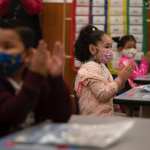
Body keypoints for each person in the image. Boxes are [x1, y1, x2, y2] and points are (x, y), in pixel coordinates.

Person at [0, 20, 72, 136]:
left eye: (7, 46)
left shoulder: (35, 80)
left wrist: (55, 77)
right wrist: (35, 74)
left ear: (28, 55)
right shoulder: (34, 78)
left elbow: (61, 116)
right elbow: (12, 116)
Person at [74, 25, 133, 116]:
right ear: (93, 49)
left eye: (111, 47)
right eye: (107, 47)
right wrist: (120, 79)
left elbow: (112, 89)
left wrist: (123, 78)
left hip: (105, 116)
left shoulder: (101, 65)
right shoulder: (89, 68)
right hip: (94, 120)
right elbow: (103, 94)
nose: (110, 51)